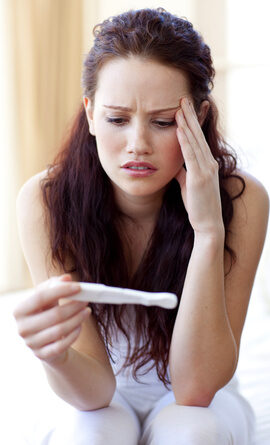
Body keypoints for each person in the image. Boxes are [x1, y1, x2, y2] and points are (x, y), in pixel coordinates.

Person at [14, 7, 268, 445]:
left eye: (164, 122)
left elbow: (195, 390)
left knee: (192, 435)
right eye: (116, 119)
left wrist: (208, 233)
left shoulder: (241, 200)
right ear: (90, 113)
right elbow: (95, 393)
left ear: (199, 118)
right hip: (93, 394)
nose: (137, 145)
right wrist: (53, 355)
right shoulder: (46, 201)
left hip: (201, 399)